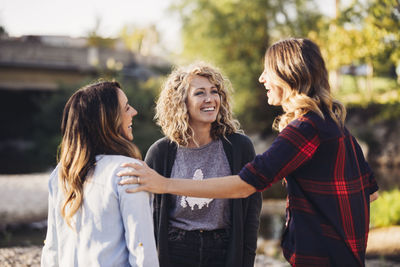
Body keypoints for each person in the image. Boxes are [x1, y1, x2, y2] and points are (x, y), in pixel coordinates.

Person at [118, 39, 379, 267]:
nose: (261, 78)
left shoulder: (304, 130)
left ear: (287, 74)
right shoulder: (333, 124)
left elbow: (246, 187)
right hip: (343, 253)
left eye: (267, 72)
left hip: (322, 256)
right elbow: (372, 191)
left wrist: (164, 184)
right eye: (200, 93)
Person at [142, 62, 262, 267]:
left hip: (224, 249)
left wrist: (247, 258)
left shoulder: (239, 147)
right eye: (200, 93)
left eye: (214, 91)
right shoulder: (160, 153)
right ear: (181, 102)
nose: (210, 99)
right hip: (175, 250)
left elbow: (251, 213)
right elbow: (148, 218)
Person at [41, 81, 159, 267]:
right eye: (126, 108)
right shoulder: (129, 171)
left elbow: (51, 251)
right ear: (108, 120)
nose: (134, 112)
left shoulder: (61, 174)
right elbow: (143, 253)